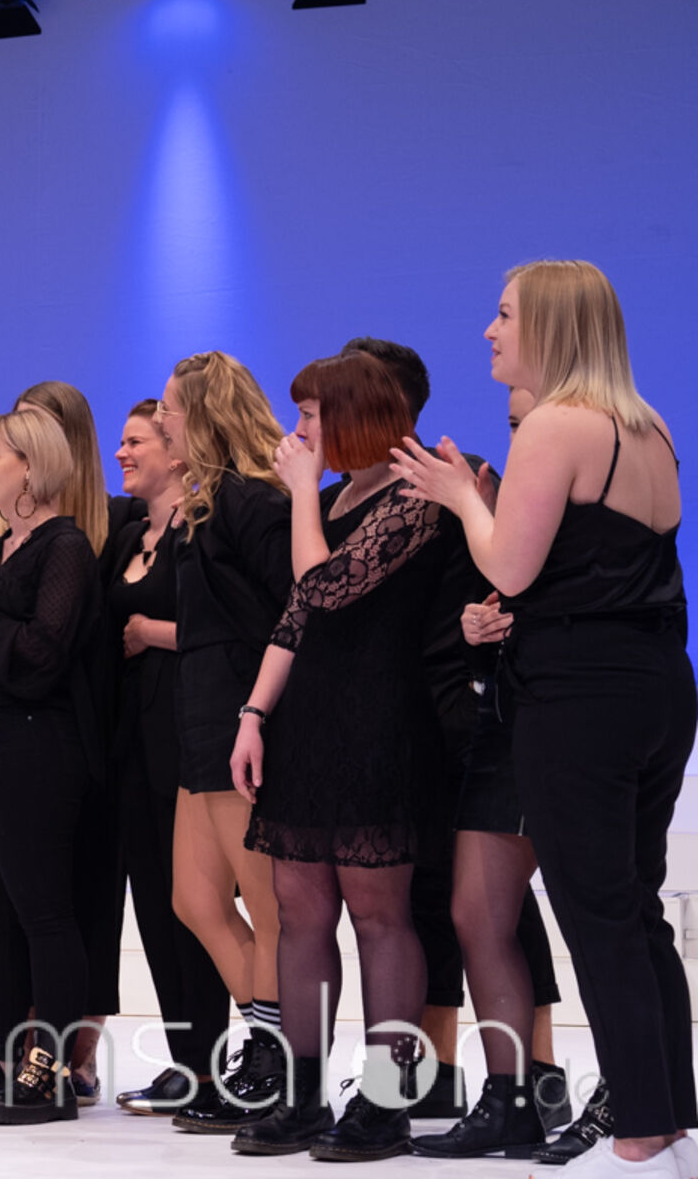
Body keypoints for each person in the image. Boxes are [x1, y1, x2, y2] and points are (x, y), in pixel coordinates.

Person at [393, 260, 695, 1179]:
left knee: (599, 910)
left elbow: (510, 567)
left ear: (553, 327)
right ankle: (668, 1114)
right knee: (633, 906)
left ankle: (639, 1129)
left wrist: (462, 498)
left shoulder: (557, 424)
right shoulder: (648, 427)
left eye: (504, 314)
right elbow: (599, 571)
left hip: (580, 699)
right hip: (655, 684)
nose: (489, 330)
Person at [340, 339, 568, 1131]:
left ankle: (538, 1074)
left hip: (460, 712)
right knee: (419, 900)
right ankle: (430, 1072)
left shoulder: (463, 478)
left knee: (494, 904)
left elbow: (510, 587)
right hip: (385, 722)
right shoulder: (339, 497)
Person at [226, 352, 448, 1161]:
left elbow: (326, 586)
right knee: (301, 912)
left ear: (352, 415)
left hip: (379, 718)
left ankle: (385, 1102)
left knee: (379, 913)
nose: (299, 431)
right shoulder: (328, 501)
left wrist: (297, 494)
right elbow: (293, 621)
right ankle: (301, 1095)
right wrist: (254, 714)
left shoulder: (416, 497)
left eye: (311, 415)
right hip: (309, 721)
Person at [0, 380, 121, 1116]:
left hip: (42, 749)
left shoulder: (65, 547)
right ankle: (1, 1053)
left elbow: (39, 658)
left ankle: (51, 1068)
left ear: (31, 468)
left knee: (44, 911)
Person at [154, 351, 293, 1133]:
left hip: (245, 720)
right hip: (201, 722)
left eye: (169, 408)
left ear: (203, 415)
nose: (160, 419)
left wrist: (259, 714)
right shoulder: (205, 505)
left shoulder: (252, 500)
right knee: (195, 900)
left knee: (270, 909)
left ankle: (274, 1063)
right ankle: (270, 1046)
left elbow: (294, 611)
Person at [104, 400, 232, 1117]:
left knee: (197, 907)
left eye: (136, 441)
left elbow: (233, 628)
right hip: (132, 741)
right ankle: (187, 1064)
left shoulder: (206, 528)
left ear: (177, 451)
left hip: (190, 738)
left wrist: (152, 631)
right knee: (155, 907)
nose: (121, 453)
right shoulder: (128, 534)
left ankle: (215, 1067)